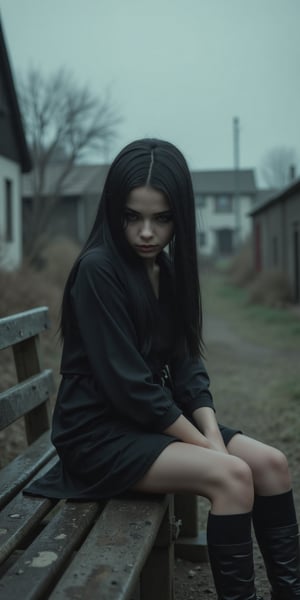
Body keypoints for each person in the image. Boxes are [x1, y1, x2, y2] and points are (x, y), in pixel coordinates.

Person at [25, 139, 300, 599]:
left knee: (272, 465)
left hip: (148, 423)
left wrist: (211, 438)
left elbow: (187, 367)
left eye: (162, 218)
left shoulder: (167, 271)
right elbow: (130, 388)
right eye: (133, 216)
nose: (146, 232)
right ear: (114, 210)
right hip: (98, 435)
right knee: (231, 476)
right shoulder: (98, 271)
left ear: (181, 217)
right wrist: (214, 454)